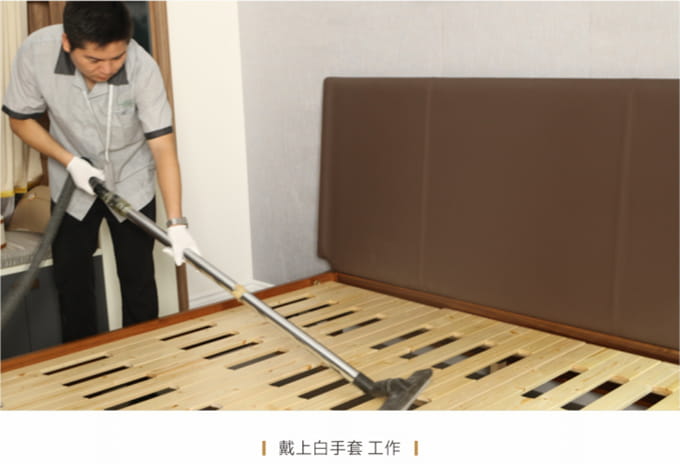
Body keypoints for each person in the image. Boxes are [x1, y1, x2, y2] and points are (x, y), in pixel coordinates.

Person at [2, 2, 199, 342]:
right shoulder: (36, 52)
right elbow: (20, 120)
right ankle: (86, 364)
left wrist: (177, 223)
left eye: (117, 57)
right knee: (72, 283)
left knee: (138, 281)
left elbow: (163, 146)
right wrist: (69, 161)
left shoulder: (142, 67)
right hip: (71, 179)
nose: (107, 69)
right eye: (94, 60)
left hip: (130, 178)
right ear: (68, 43)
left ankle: (144, 360)